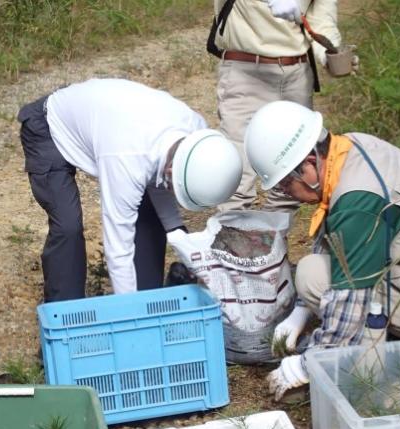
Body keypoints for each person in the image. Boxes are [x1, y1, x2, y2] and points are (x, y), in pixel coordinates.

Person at [243, 101, 400, 399]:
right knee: (312, 273)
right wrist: (300, 311)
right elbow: (336, 238)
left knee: (329, 287)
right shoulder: (346, 150)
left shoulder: (358, 204)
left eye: (286, 185)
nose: (287, 194)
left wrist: (305, 366)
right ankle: (374, 348)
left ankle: (370, 382)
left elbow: (350, 305)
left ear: (309, 165)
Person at [17, 78, 243, 301]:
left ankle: (148, 298)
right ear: (174, 168)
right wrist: (131, 313)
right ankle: (66, 318)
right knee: (68, 226)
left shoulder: (196, 133)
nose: (173, 191)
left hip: (107, 121)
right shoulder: (127, 159)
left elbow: (161, 179)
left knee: (151, 217)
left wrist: (180, 236)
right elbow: (118, 248)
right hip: (47, 126)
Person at [208, 0, 347, 211]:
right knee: (234, 178)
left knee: (293, 176)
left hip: (296, 74)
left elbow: (320, 19)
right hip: (245, 70)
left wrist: (329, 53)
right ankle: (231, 240)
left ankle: (272, 240)